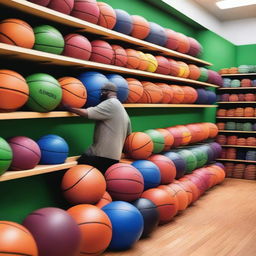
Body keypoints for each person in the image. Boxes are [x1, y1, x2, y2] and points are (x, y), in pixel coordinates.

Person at [65, 82, 132, 174]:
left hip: (100, 156)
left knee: (75, 174)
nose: (100, 95)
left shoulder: (110, 103)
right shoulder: (122, 109)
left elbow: (87, 113)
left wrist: (69, 108)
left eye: (101, 92)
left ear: (106, 92)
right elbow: (129, 135)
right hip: (114, 158)